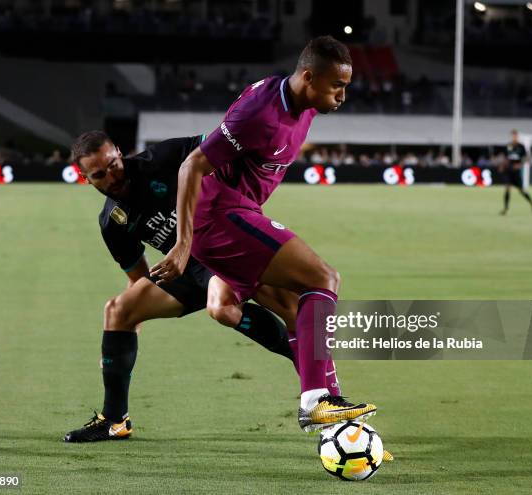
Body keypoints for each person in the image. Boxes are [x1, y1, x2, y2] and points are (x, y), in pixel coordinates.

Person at [150, 36, 377, 433]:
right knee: (324, 279)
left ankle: (336, 426)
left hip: (237, 214)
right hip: (220, 218)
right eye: (337, 85)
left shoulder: (301, 103)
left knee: (296, 308)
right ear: (308, 77)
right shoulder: (262, 112)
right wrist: (183, 245)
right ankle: (315, 402)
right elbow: (192, 166)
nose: (343, 95)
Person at [63, 131, 341, 442]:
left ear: (118, 150)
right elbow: (138, 278)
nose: (112, 175)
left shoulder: (164, 157)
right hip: (185, 270)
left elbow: (228, 141)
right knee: (118, 311)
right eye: (100, 174)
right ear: (85, 177)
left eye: (114, 164)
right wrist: (126, 334)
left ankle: (324, 395)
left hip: (225, 242)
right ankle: (115, 420)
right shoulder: (111, 222)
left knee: (237, 307)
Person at [500, 130, 532, 215]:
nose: (514, 137)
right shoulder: (508, 146)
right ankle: (505, 208)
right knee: (507, 188)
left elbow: (526, 158)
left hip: (516, 172)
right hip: (508, 171)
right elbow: (505, 157)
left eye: (515, 136)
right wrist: (502, 165)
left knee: (522, 191)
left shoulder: (521, 146)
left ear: (517, 136)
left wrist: (520, 164)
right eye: (513, 136)